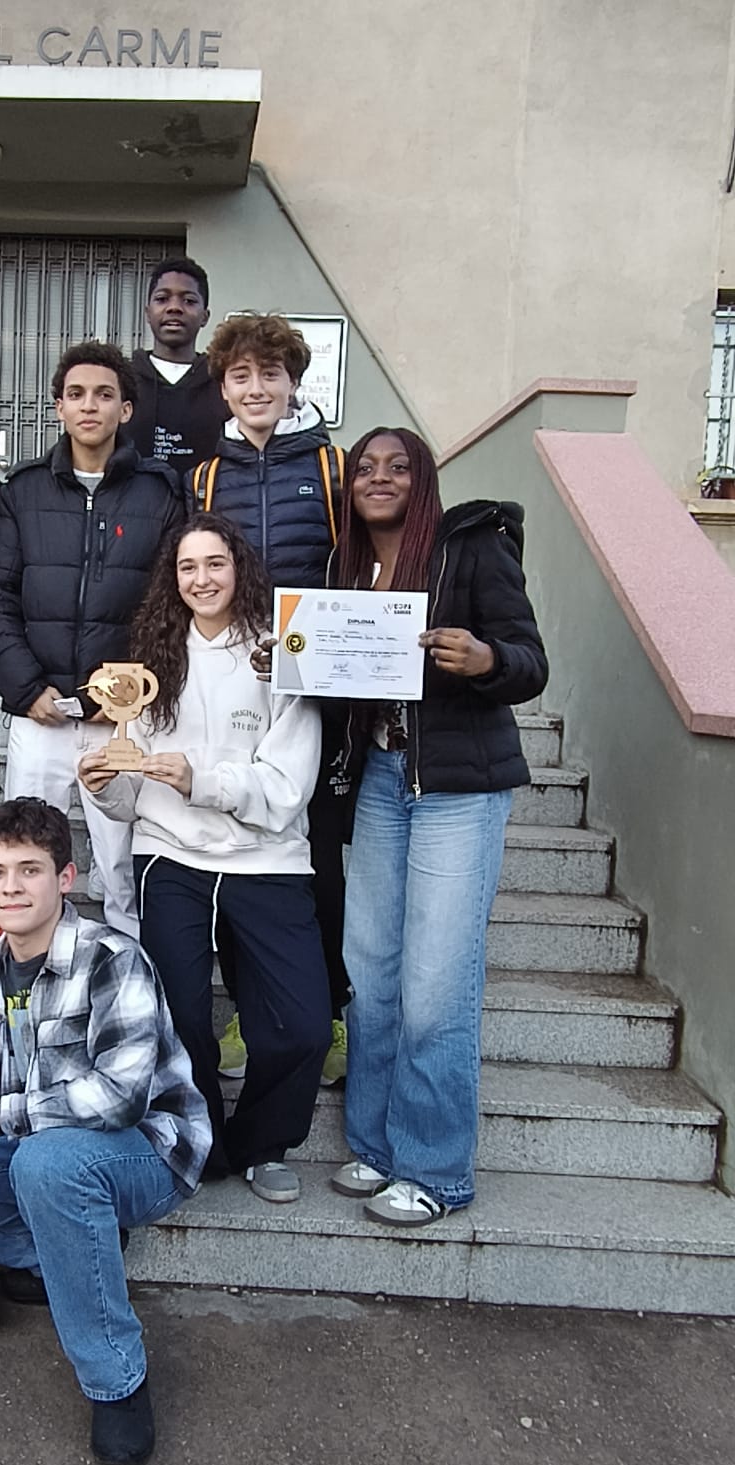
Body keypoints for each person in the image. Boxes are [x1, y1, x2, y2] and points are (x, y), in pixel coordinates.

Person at [0, 797, 210, 1465]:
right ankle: (70, 1244)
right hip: (42, 1154)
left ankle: (116, 1380)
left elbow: (119, 1098)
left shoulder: (112, 960)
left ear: (65, 878)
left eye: (30, 870)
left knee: (47, 1165)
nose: (12, 887)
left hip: (147, 1153)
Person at [329, 427, 547, 1227]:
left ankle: (435, 1168)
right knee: (371, 973)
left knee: (435, 985)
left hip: (457, 788)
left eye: (398, 467)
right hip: (381, 781)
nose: (379, 478)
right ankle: (375, 1145)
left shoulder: (472, 548)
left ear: (423, 480)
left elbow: (530, 660)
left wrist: (487, 660)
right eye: (365, 467)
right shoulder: (344, 564)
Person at [80, 512, 330, 1205]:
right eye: (187, 567)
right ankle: (203, 1143)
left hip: (269, 860)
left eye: (215, 563)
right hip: (171, 857)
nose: (202, 579)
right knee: (180, 1018)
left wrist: (204, 781)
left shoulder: (277, 654)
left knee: (303, 1025)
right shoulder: (151, 660)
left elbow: (288, 788)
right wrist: (102, 784)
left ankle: (263, 1144)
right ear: (173, 578)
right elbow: (133, 794)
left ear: (239, 568)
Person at [185, 311, 350, 1082]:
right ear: (223, 388)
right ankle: (251, 1014)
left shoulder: (334, 467)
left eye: (270, 374)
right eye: (241, 376)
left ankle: (330, 1009)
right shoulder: (204, 477)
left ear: (293, 384)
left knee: (317, 855)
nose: (256, 388)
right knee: (238, 845)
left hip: (315, 686)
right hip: (234, 680)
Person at [0, 340, 182, 936]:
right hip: (41, 713)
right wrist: (24, 688)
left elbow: (169, 605)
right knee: (25, 854)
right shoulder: (23, 491)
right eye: (76, 394)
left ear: (125, 409)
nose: (89, 405)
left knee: (119, 864)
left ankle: (129, 973)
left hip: (118, 721)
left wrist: (129, 692)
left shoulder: (160, 493)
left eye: (104, 394)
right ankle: (26, 965)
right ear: (58, 407)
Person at [127, 255, 228, 476]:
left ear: (205, 316)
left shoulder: (224, 384)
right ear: (147, 313)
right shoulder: (122, 382)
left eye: (189, 301)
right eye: (162, 299)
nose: (174, 308)